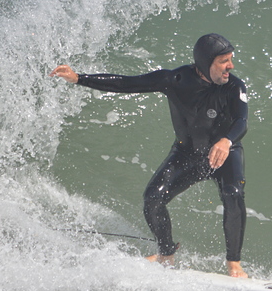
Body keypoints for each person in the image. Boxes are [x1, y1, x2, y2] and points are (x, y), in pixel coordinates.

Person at [50, 33, 249, 278]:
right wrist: (79, 78)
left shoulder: (234, 87)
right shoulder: (174, 80)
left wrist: (226, 141)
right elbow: (127, 83)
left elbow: (242, 121)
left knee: (233, 193)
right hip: (187, 153)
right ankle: (166, 254)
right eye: (223, 61)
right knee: (153, 199)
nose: (231, 66)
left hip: (224, 153)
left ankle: (234, 264)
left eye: (230, 59)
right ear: (204, 63)